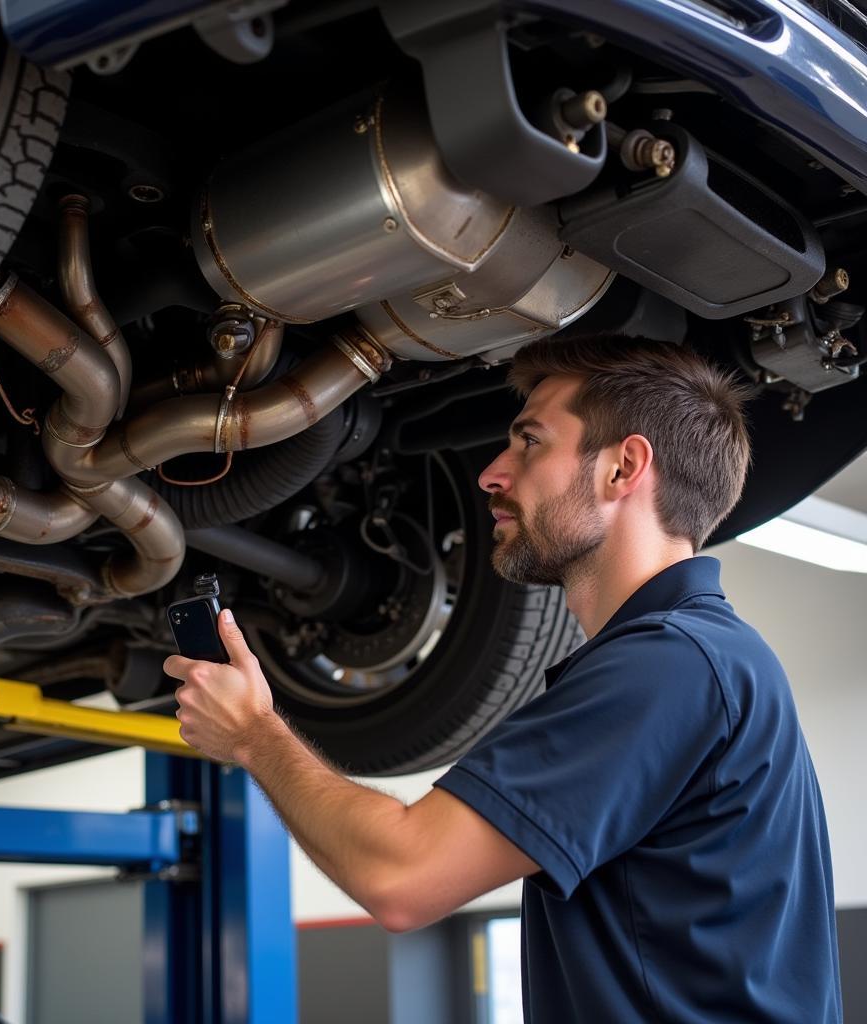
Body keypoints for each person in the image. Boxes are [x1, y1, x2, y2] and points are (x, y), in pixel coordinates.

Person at [164, 334, 842, 1023]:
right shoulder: (704, 657)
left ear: (622, 468)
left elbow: (401, 875)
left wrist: (254, 733)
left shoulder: (670, 665)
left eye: (530, 443)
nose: (491, 472)